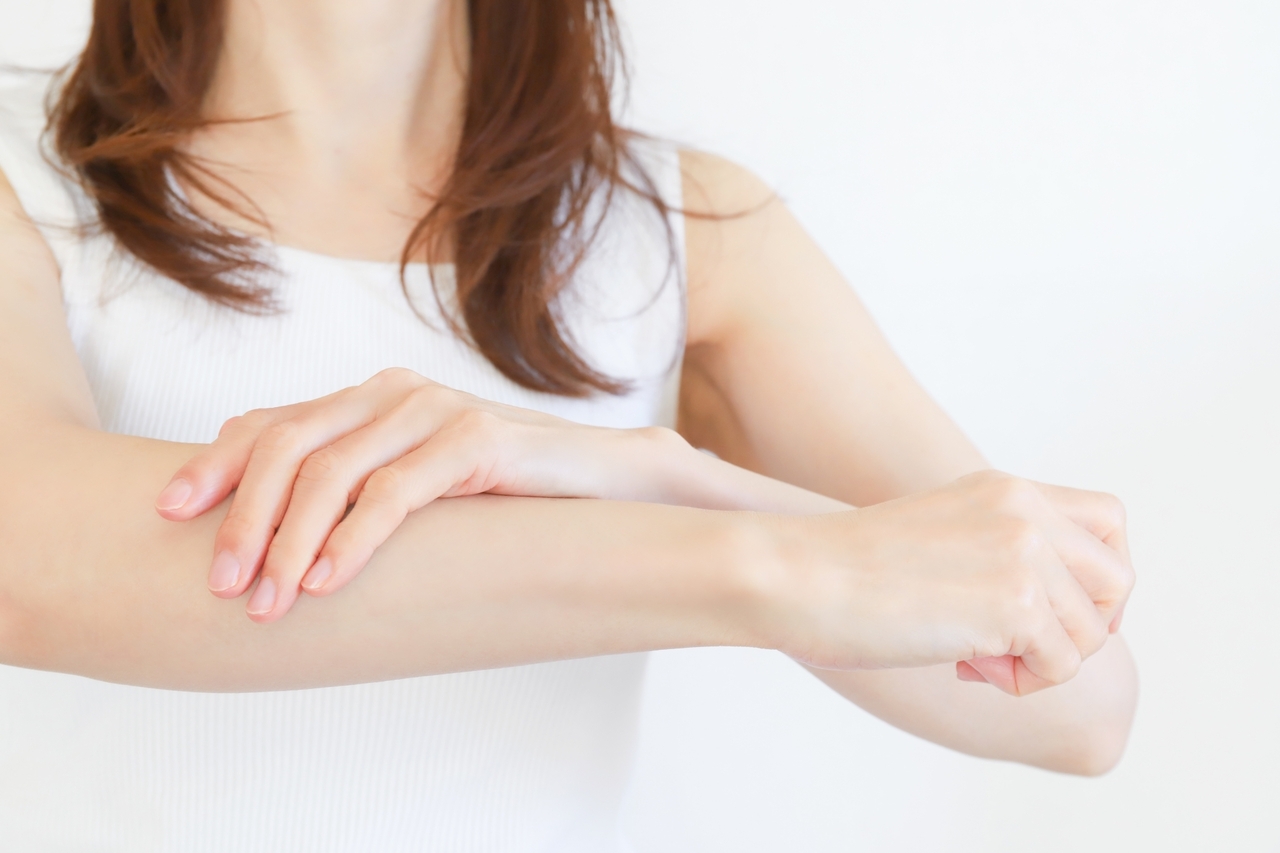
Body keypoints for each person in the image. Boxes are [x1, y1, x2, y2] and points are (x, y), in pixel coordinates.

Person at [0, 0, 1137, 849]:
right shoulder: (23, 174)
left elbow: (1079, 706)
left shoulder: (686, 232)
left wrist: (662, 479)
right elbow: (28, 558)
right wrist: (773, 566)